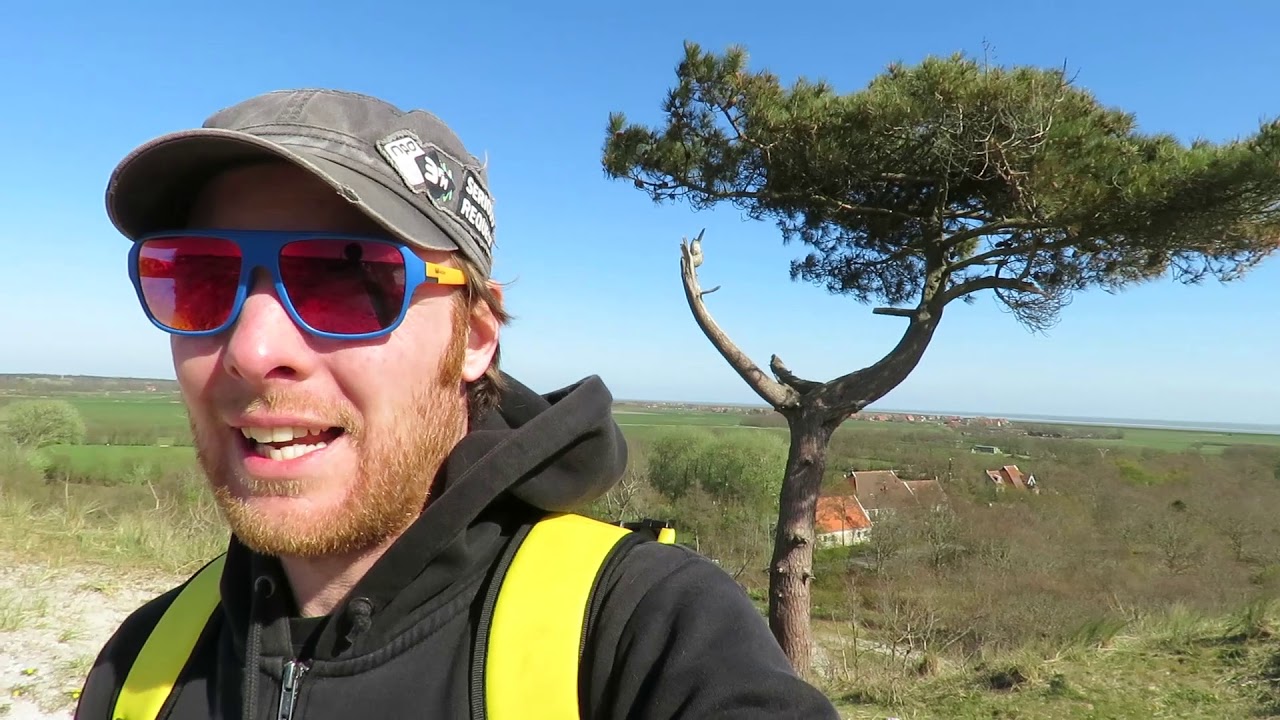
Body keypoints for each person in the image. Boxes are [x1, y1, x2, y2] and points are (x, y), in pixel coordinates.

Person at [73, 88, 841, 720]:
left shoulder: (640, 632)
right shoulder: (140, 666)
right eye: (200, 277)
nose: (251, 347)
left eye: (347, 278)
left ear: (473, 337)